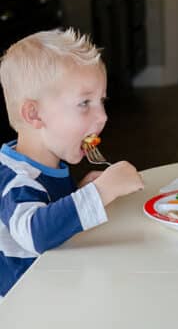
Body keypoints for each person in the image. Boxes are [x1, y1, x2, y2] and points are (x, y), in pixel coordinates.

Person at [0, 29, 144, 298]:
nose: (102, 117)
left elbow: (49, 212)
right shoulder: (16, 179)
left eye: (101, 101)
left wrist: (78, 192)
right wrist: (100, 193)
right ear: (34, 114)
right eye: (84, 103)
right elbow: (36, 234)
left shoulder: (46, 164)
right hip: (24, 309)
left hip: (56, 289)